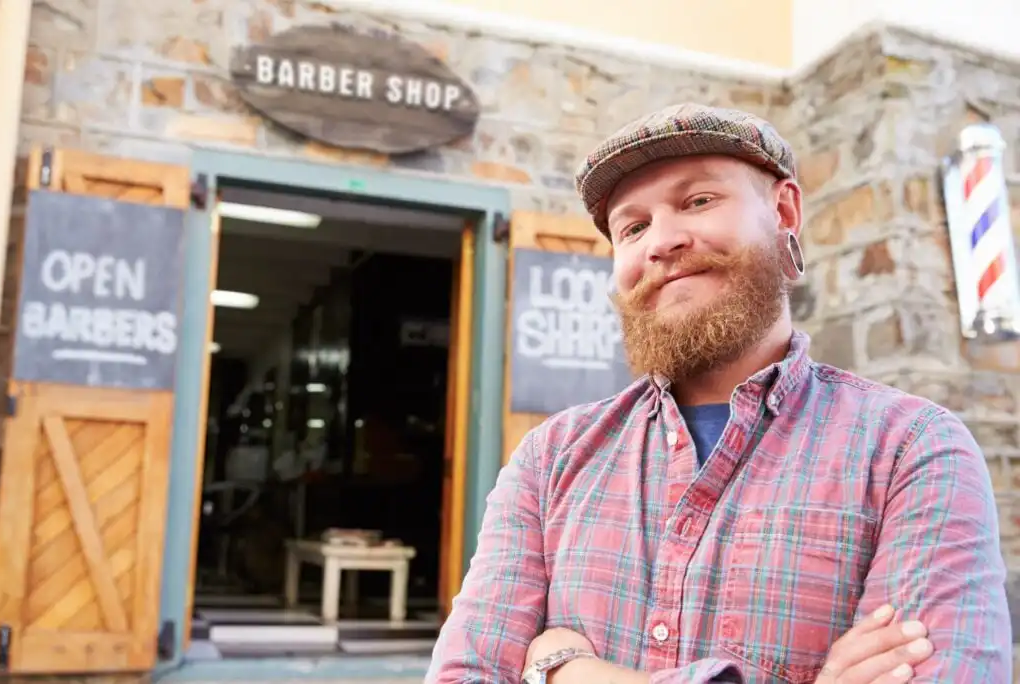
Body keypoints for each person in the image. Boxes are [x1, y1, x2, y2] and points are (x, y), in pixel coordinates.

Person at [425, 104, 1012, 683]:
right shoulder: (549, 457)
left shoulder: (911, 450)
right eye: (633, 227)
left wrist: (565, 670)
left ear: (784, 211)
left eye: (697, 201)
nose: (661, 242)